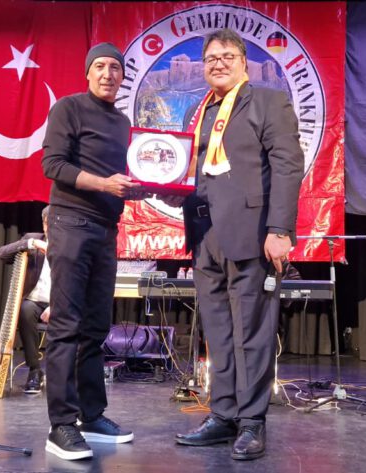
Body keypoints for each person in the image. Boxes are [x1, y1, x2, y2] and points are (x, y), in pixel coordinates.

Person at [169, 29, 304, 461]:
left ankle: (251, 422)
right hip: (205, 235)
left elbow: (287, 166)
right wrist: (168, 187)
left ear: (244, 62)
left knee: (252, 334)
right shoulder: (198, 111)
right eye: (211, 58)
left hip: (252, 233)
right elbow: (192, 172)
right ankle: (223, 415)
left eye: (227, 56)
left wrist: (279, 230)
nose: (218, 63)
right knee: (218, 333)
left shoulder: (267, 101)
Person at [39, 42, 141, 461]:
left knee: (96, 327)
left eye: (115, 67)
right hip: (70, 223)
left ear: (122, 77)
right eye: (100, 66)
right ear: (88, 72)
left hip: (105, 229)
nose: (107, 73)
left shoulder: (123, 122)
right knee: (66, 325)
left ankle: (91, 415)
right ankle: (61, 425)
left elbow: (124, 176)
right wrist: (104, 184)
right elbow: (53, 165)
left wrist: (145, 187)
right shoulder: (69, 108)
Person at [0, 205, 52, 394]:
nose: (50, 228)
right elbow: (2, 254)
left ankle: (64, 374)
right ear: (44, 224)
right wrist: (31, 244)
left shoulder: (70, 246)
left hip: (60, 302)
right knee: (25, 310)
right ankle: (35, 370)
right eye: (47, 223)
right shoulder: (33, 239)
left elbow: (76, 281)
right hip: (35, 301)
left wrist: (56, 305)